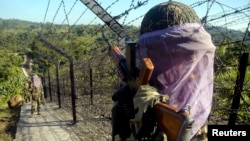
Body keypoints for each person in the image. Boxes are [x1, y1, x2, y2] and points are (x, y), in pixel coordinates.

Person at [111, 1, 216, 141]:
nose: (182, 67)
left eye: (187, 58)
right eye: (168, 57)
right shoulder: (135, 98)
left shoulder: (193, 97)